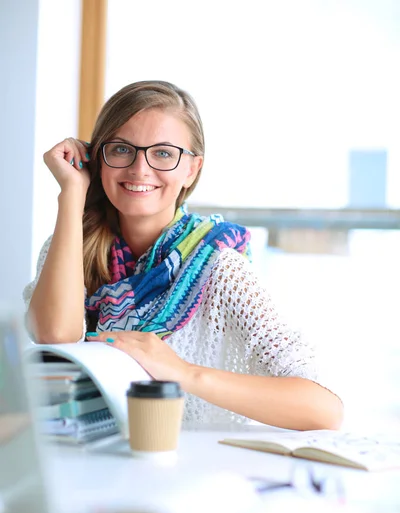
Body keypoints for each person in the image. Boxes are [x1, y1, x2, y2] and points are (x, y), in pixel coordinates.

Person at [24, 80, 343, 429]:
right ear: (98, 159)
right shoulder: (72, 247)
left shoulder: (217, 266)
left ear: (191, 169)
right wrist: (71, 193)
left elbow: (323, 409)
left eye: (163, 153)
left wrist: (181, 372)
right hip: (90, 470)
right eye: (120, 149)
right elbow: (55, 335)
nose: (139, 169)